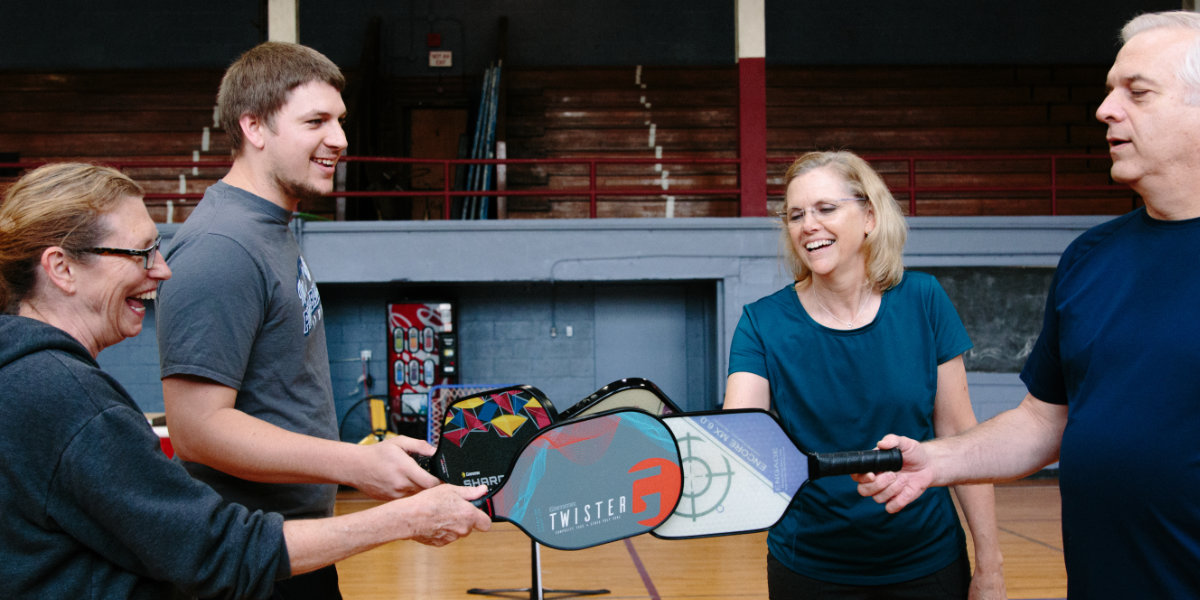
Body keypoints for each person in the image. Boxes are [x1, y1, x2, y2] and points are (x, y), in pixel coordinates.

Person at [0, 163, 491, 599]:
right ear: (61, 267)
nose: (163, 269)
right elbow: (216, 551)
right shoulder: (66, 396)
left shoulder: (24, 377)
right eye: (142, 253)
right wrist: (407, 518)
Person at [854, 10, 1200, 599]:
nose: (1106, 109)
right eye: (1110, 90)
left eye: (1136, 92)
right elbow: (1044, 421)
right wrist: (936, 461)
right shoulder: (1090, 258)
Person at [154, 41, 451, 598]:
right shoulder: (222, 246)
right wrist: (355, 464)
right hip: (250, 564)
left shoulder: (268, 230)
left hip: (296, 551)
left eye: (340, 121)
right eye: (315, 121)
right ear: (254, 127)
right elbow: (196, 430)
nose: (339, 140)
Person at [723, 150, 1006, 599]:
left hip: (928, 563)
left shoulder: (924, 299)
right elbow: (741, 428)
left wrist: (990, 568)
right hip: (810, 569)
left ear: (870, 216)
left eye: (826, 209)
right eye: (795, 215)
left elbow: (958, 432)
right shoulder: (761, 322)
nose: (807, 225)